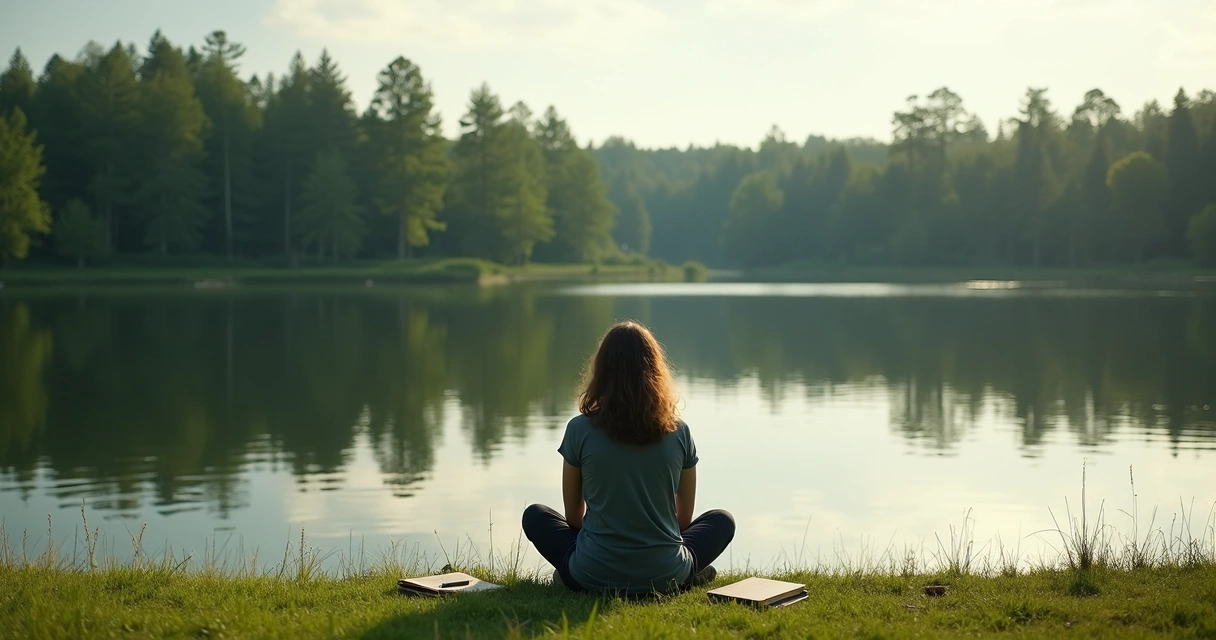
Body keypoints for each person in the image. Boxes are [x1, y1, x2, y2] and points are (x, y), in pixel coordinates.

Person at [522, 321, 735, 594]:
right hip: (665, 572)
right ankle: (684, 576)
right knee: (722, 520)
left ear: (602, 371)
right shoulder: (679, 432)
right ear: (655, 371)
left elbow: (574, 518)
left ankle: (573, 574)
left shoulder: (578, 429)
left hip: (592, 572)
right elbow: (683, 521)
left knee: (535, 516)